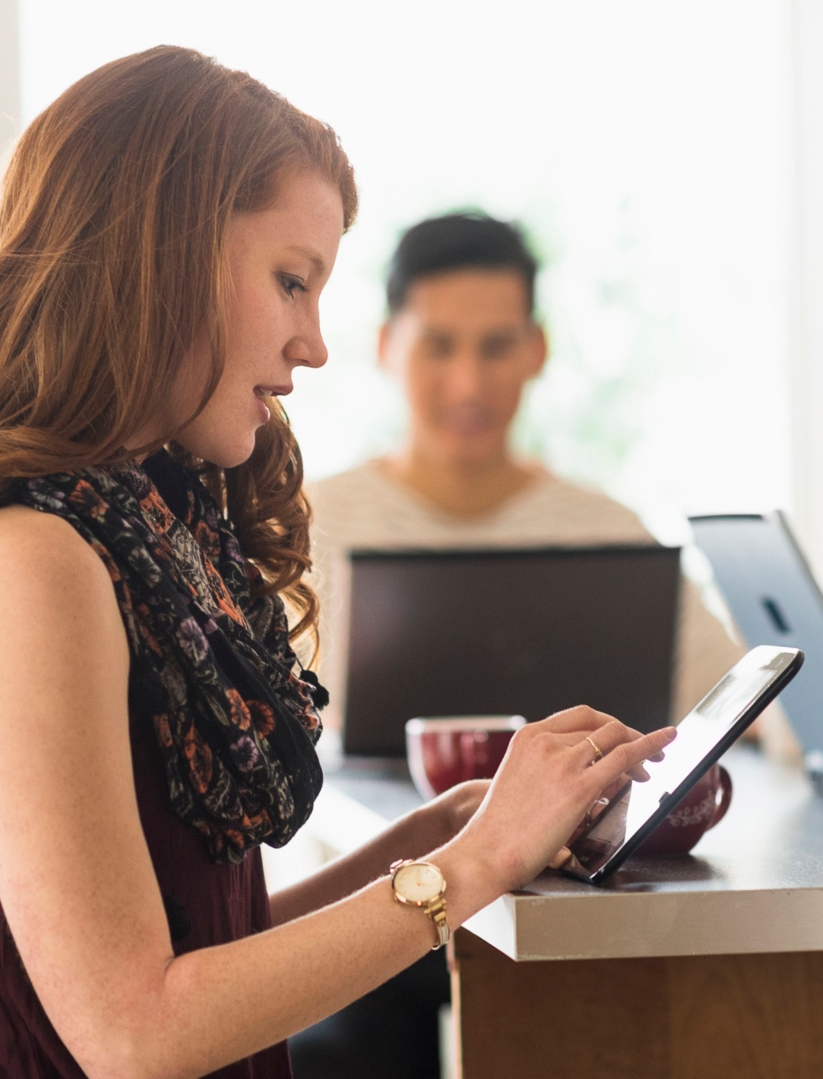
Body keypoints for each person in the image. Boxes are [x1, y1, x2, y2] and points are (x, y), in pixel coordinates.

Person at [0, 47, 673, 1079]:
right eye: (291, 281)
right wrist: (472, 868)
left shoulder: (125, 534)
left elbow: (195, 957)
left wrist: (439, 839)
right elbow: (137, 1033)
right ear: (154, 255)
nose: (315, 344)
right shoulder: (25, 565)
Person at [290, 214, 777, 1077]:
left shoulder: (606, 529)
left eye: (496, 345)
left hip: (584, 912)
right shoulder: (303, 526)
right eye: (439, 345)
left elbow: (736, 706)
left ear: (538, 351)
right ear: (385, 346)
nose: (469, 380)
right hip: (363, 920)